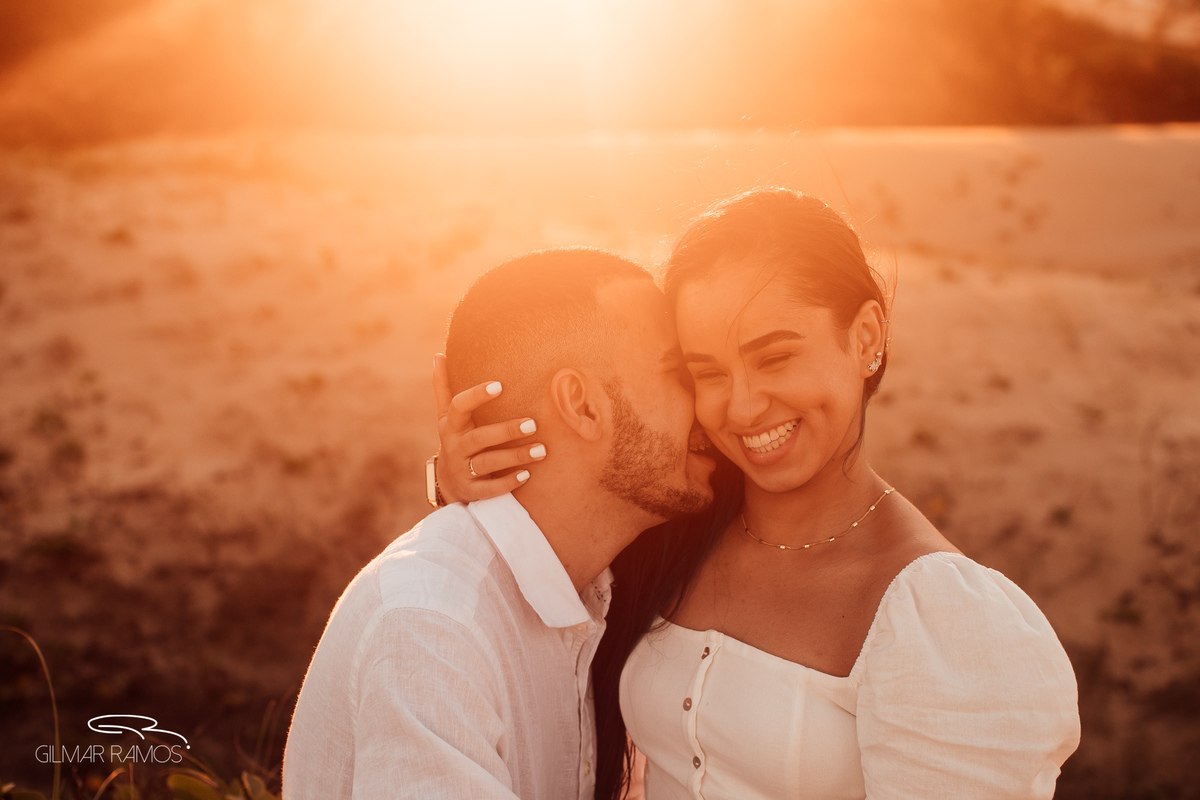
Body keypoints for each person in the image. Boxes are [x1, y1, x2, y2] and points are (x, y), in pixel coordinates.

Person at [434, 188, 1081, 800]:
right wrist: (475, 487)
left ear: (865, 338)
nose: (741, 407)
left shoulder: (942, 618)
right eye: (706, 372)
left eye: (774, 358)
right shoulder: (671, 530)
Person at [282, 248, 714, 800]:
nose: (711, 403)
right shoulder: (431, 629)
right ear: (581, 406)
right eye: (679, 373)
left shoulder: (601, 584)